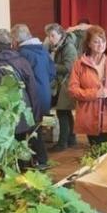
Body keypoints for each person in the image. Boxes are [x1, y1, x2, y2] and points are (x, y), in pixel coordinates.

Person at [69, 25, 107, 146]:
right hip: (89, 116)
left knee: (103, 150)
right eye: (96, 42)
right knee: (94, 149)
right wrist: (94, 94)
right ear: (89, 44)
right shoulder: (79, 64)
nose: (101, 44)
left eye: (103, 41)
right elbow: (73, 89)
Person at [11, 24, 56, 169]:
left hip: (31, 97)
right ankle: (41, 160)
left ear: (16, 39)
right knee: (38, 129)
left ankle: (29, 161)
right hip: (45, 95)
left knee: (25, 129)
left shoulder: (22, 53)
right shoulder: (42, 50)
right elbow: (52, 72)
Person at [45, 23, 78, 151]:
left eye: (52, 35)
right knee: (66, 112)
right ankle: (71, 138)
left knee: (62, 112)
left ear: (61, 34)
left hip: (66, 83)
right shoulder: (54, 47)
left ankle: (62, 143)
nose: (50, 38)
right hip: (59, 84)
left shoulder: (68, 47)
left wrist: (51, 67)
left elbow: (69, 67)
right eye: (48, 36)